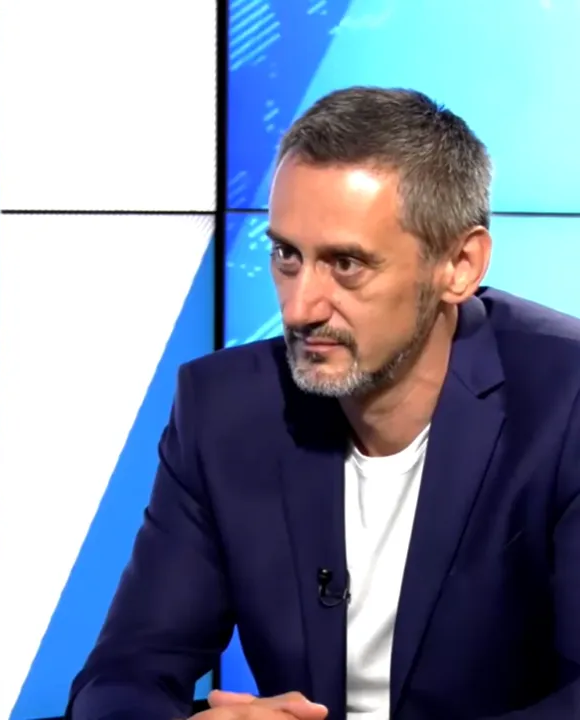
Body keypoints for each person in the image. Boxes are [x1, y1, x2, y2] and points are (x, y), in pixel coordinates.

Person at [68, 87, 580, 720]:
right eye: (287, 255)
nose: (300, 307)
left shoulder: (565, 401)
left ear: (459, 265)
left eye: (346, 264)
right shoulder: (224, 410)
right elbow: (121, 676)